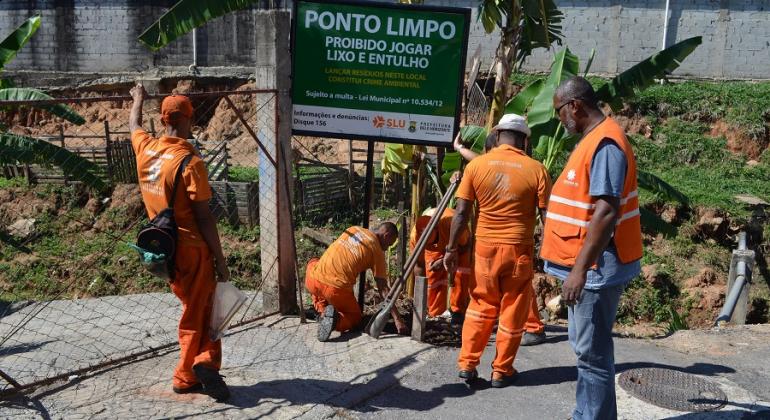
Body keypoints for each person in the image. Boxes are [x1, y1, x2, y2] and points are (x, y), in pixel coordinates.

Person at [541, 76, 643, 420]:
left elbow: (606, 211)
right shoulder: (596, 139)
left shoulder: (605, 144)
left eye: (559, 112)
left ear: (575, 105)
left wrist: (579, 270)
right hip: (588, 267)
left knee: (593, 357)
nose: (559, 119)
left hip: (595, 270)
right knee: (588, 354)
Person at [129, 84, 231, 402]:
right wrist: (221, 258)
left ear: (162, 120)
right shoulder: (190, 163)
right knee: (200, 311)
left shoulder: (146, 149)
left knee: (197, 307)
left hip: (163, 249)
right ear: (188, 120)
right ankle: (189, 372)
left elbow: (133, 126)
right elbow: (204, 217)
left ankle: (204, 365)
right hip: (193, 250)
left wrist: (137, 100)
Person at [444, 114, 551, 388]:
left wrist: (451, 248)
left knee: (480, 304)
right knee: (513, 308)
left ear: (497, 134)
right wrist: (548, 252)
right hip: (519, 251)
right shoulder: (537, 169)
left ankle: (468, 364)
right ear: (524, 140)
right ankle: (501, 371)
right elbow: (546, 216)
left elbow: (461, 213)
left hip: (485, 250)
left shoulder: (477, 165)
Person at [305, 222, 408, 342]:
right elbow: (384, 289)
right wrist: (398, 320)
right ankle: (335, 321)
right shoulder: (377, 251)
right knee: (354, 317)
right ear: (386, 235)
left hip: (313, 280)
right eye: (389, 244)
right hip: (335, 289)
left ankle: (322, 310)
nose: (387, 248)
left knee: (314, 261)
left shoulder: (353, 229)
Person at [409, 208, 471, 324]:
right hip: (439, 244)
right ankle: (434, 313)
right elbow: (419, 265)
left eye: (428, 239)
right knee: (433, 275)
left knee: (461, 272)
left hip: (456, 244)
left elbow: (466, 245)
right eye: (424, 240)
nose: (426, 242)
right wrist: (419, 299)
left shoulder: (452, 225)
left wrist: (446, 259)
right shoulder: (415, 237)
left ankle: (457, 311)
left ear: (436, 228)